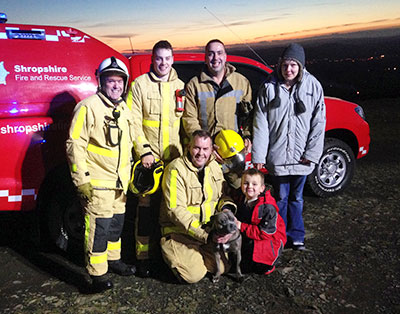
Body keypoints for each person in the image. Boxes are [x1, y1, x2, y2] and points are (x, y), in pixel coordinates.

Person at [66, 56, 136, 293]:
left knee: (116, 226)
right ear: (101, 82)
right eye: (110, 81)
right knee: (99, 229)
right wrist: (82, 180)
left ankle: (113, 260)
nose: (116, 85)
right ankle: (97, 274)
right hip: (97, 183)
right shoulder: (88, 107)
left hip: (119, 184)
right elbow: (74, 144)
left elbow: (132, 139)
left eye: (119, 81)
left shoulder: (123, 109)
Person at [252, 43, 326, 250]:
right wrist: (259, 156)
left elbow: (319, 123)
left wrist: (312, 153)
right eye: (286, 64)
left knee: (297, 198)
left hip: (302, 157)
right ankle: (279, 236)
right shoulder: (268, 87)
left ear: (301, 66)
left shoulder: (313, 86)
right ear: (280, 65)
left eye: (293, 65)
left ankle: (297, 236)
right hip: (278, 157)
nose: (289, 69)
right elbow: (261, 124)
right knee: (281, 197)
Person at [126, 40, 184, 277]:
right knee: (146, 212)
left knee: (170, 210)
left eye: (167, 58)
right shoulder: (140, 85)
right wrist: (144, 151)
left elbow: (185, 125)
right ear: (152, 59)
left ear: (173, 59)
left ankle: (165, 256)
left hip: (173, 160)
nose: (163, 63)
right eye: (159, 58)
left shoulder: (181, 86)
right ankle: (143, 258)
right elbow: (133, 122)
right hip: (149, 162)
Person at [159, 130, 236, 284]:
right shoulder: (175, 169)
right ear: (188, 147)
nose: (201, 153)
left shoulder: (214, 167)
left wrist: (227, 211)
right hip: (180, 233)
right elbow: (176, 211)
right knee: (193, 275)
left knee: (221, 268)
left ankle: (198, 256)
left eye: (205, 149)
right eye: (197, 148)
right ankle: (173, 255)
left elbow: (223, 195)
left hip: (206, 233)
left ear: (212, 150)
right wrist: (205, 235)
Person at [182, 39, 252, 152]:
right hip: (206, 153)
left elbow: (248, 115)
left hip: (235, 149)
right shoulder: (194, 85)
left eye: (219, 53)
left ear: (225, 56)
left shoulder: (241, 82)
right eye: (210, 54)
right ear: (205, 58)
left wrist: (247, 136)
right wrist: (205, 146)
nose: (215, 58)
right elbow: (189, 119)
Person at [235, 168, 286, 275]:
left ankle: (267, 265)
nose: (249, 187)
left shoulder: (267, 207)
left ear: (262, 188)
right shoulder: (241, 198)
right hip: (251, 233)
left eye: (254, 184)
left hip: (269, 239)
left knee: (259, 268)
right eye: (246, 183)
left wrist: (241, 226)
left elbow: (265, 233)